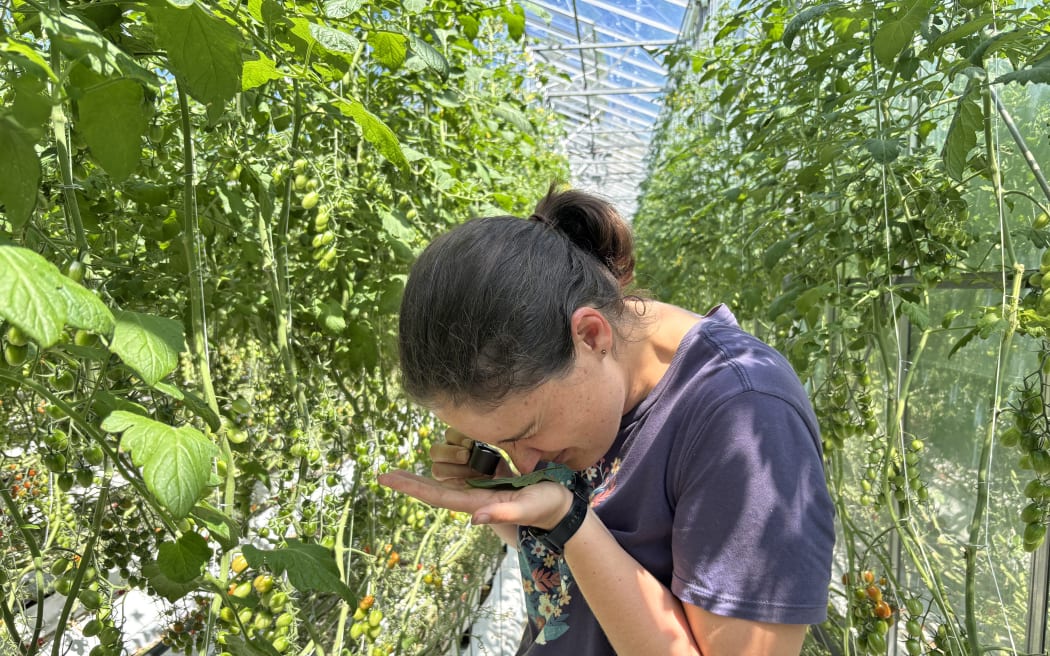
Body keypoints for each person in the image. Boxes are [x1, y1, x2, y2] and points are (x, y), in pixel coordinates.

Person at [378, 186, 835, 655]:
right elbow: (581, 574)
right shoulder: (592, 395)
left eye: (525, 433)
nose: (526, 461)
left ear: (591, 334)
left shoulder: (743, 416)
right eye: (499, 443)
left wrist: (569, 518)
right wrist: (504, 494)